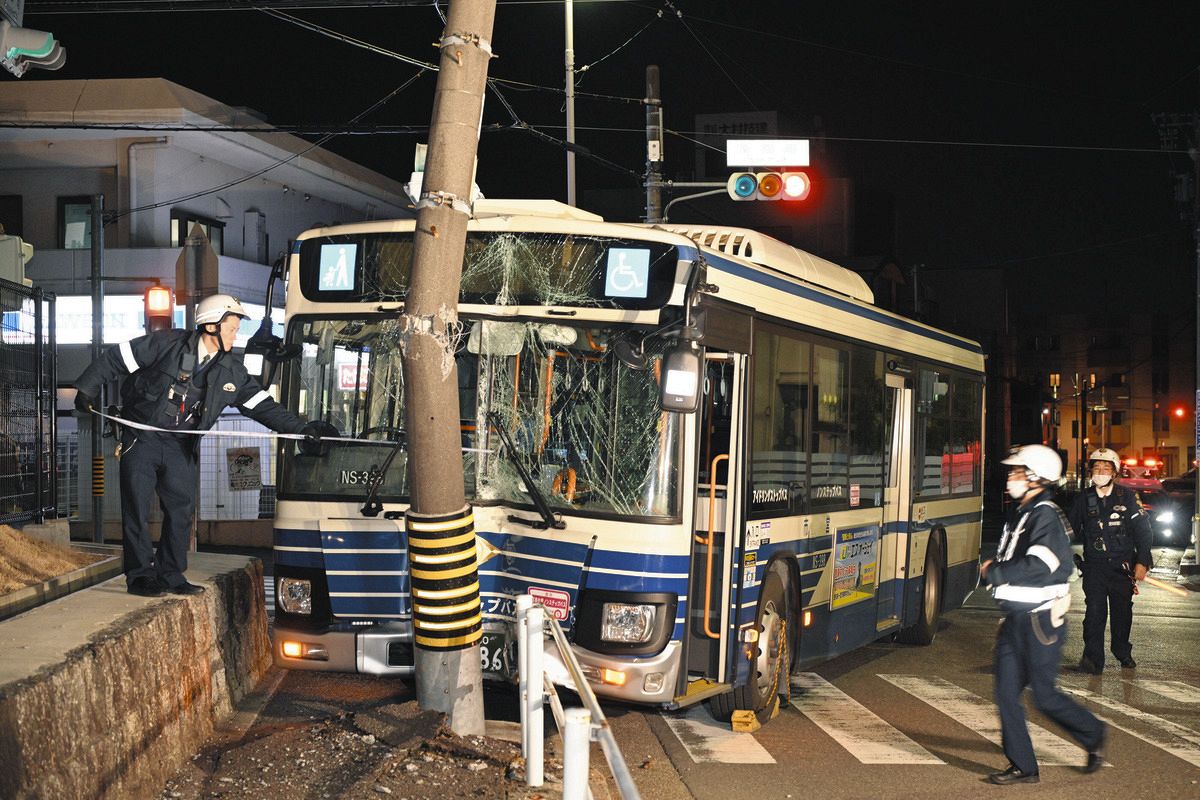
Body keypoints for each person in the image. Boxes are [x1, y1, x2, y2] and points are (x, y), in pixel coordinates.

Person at [74, 293, 335, 597]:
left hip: (180, 446)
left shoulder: (232, 371)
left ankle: (171, 574)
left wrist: (304, 430)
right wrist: (86, 389)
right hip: (141, 439)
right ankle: (141, 576)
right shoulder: (165, 344)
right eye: (233, 328)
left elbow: (263, 406)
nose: (236, 335)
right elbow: (116, 359)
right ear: (211, 326)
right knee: (136, 508)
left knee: (182, 510)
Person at [980, 444, 1105, 785]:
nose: (1010, 477)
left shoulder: (1045, 515)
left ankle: (1093, 734)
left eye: (1016, 472)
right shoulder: (1021, 512)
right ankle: (1024, 766)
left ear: (1035, 478)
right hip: (1015, 619)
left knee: (1044, 696)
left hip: (1040, 621)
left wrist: (996, 572)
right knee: (1006, 693)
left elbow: (1044, 566)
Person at [1069, 447, 1153, 673]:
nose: (1101, 472)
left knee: (1122, 614)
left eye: (1106, 468)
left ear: (1115, 473)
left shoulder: (1127, 497)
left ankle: (1122, 651)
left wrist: (1142, 562)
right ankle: (1093, 659)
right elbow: (1068, 530)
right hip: (1094, 568)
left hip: (1122, 568)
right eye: (1096, 468)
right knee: (1094, 612)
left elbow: (1144, 531)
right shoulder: (1083, 499)